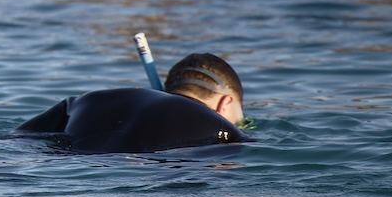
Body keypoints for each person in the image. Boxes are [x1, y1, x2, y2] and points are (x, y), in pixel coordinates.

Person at [15, 51, 245, 154]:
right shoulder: (223, 130)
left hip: (68, 168)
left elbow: (16, 141)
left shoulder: (85, 101)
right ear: (226, 103)